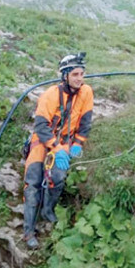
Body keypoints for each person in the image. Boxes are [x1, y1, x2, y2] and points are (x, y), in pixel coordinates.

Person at [22, 52, 94, 249]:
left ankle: (47, 210)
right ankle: (28, 232)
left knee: (58, 177)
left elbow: (86, 122)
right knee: (33, 181)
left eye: (82, 74)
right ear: (65, 76)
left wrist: (78, 143)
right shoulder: (50, 95)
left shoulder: (86, 92)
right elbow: (41, 126)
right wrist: (56, 148)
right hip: (43, 141)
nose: (80, 79)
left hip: (64, 141)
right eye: (75, 75)